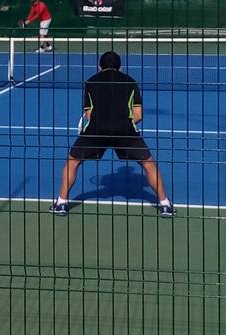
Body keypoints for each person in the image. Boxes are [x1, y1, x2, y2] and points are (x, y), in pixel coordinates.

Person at [50, 51, 174, 217]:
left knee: (72, 162)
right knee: (148, 164)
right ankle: (165, 205)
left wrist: (103, 123)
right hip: (125, 131)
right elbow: (138, 115)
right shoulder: (130, 82)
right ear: (120, 67)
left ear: (99, 67)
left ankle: (61, 203)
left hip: (96, 130)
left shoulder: (91, 82)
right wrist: (121, 124)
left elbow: (88, 114)